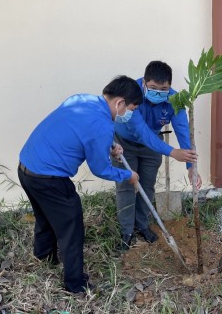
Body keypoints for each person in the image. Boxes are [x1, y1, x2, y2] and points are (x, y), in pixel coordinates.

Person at [18, 76, 141, 293]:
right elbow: (100, 169)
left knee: (45, 216)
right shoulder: (102, 125)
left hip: (27, 166)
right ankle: (75, 284)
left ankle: (44, 257)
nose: (127, 115)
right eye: (130, 109)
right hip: (49, 178)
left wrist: (110, 145)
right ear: (119, 103)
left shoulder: (82, 100)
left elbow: (79, 130)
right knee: (72, 227)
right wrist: (128, 175)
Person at [113, 61, 202, 250]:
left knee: (147, 185)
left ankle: (142, 225)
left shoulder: (174, 100)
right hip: (124, 143)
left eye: (163, 89)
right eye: (153, 87)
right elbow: (141, 132)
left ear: (169, 87)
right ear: (144, 82)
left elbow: (183, 130)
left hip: (153, 145)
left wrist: (191, 167)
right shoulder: (132, 93)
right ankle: (127, 231)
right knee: (126, 186)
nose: (158, 92)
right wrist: (172, 152)